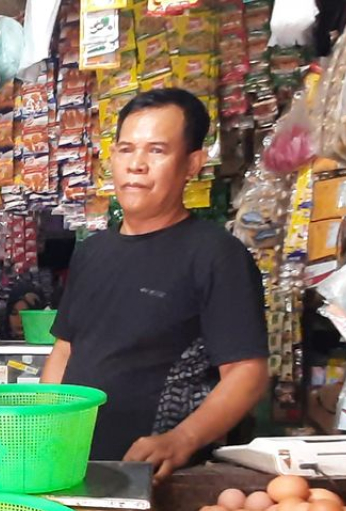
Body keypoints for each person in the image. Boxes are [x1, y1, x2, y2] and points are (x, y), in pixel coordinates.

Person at [41, 88, 269, 479]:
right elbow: (65, 350)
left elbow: (247, 372)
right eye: (126, 149)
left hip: (160, 477)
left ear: (192, 163)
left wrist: (182, 439)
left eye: (157, 150)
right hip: (74, 470)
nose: (136, 165)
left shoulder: (216, 254)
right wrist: (45, 428)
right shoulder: (92, 251)